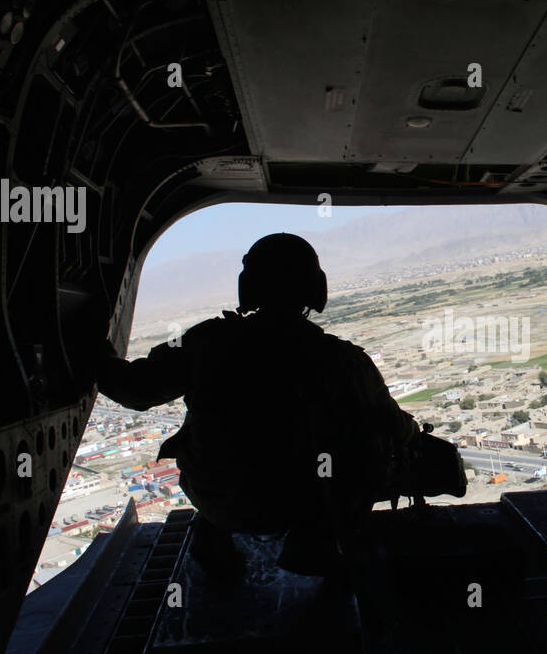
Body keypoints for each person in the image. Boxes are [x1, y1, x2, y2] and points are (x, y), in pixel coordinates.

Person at [94, 233, 423, 577]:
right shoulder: (342, 359)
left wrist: (96, 353)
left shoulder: (206, 343)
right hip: (306, 504)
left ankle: (214, 535)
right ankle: (316, 540)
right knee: (375, 441)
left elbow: (134, 388)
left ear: (248, 285)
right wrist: (412, 433)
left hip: (218, 501)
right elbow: (394, 426)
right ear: (315, 287)